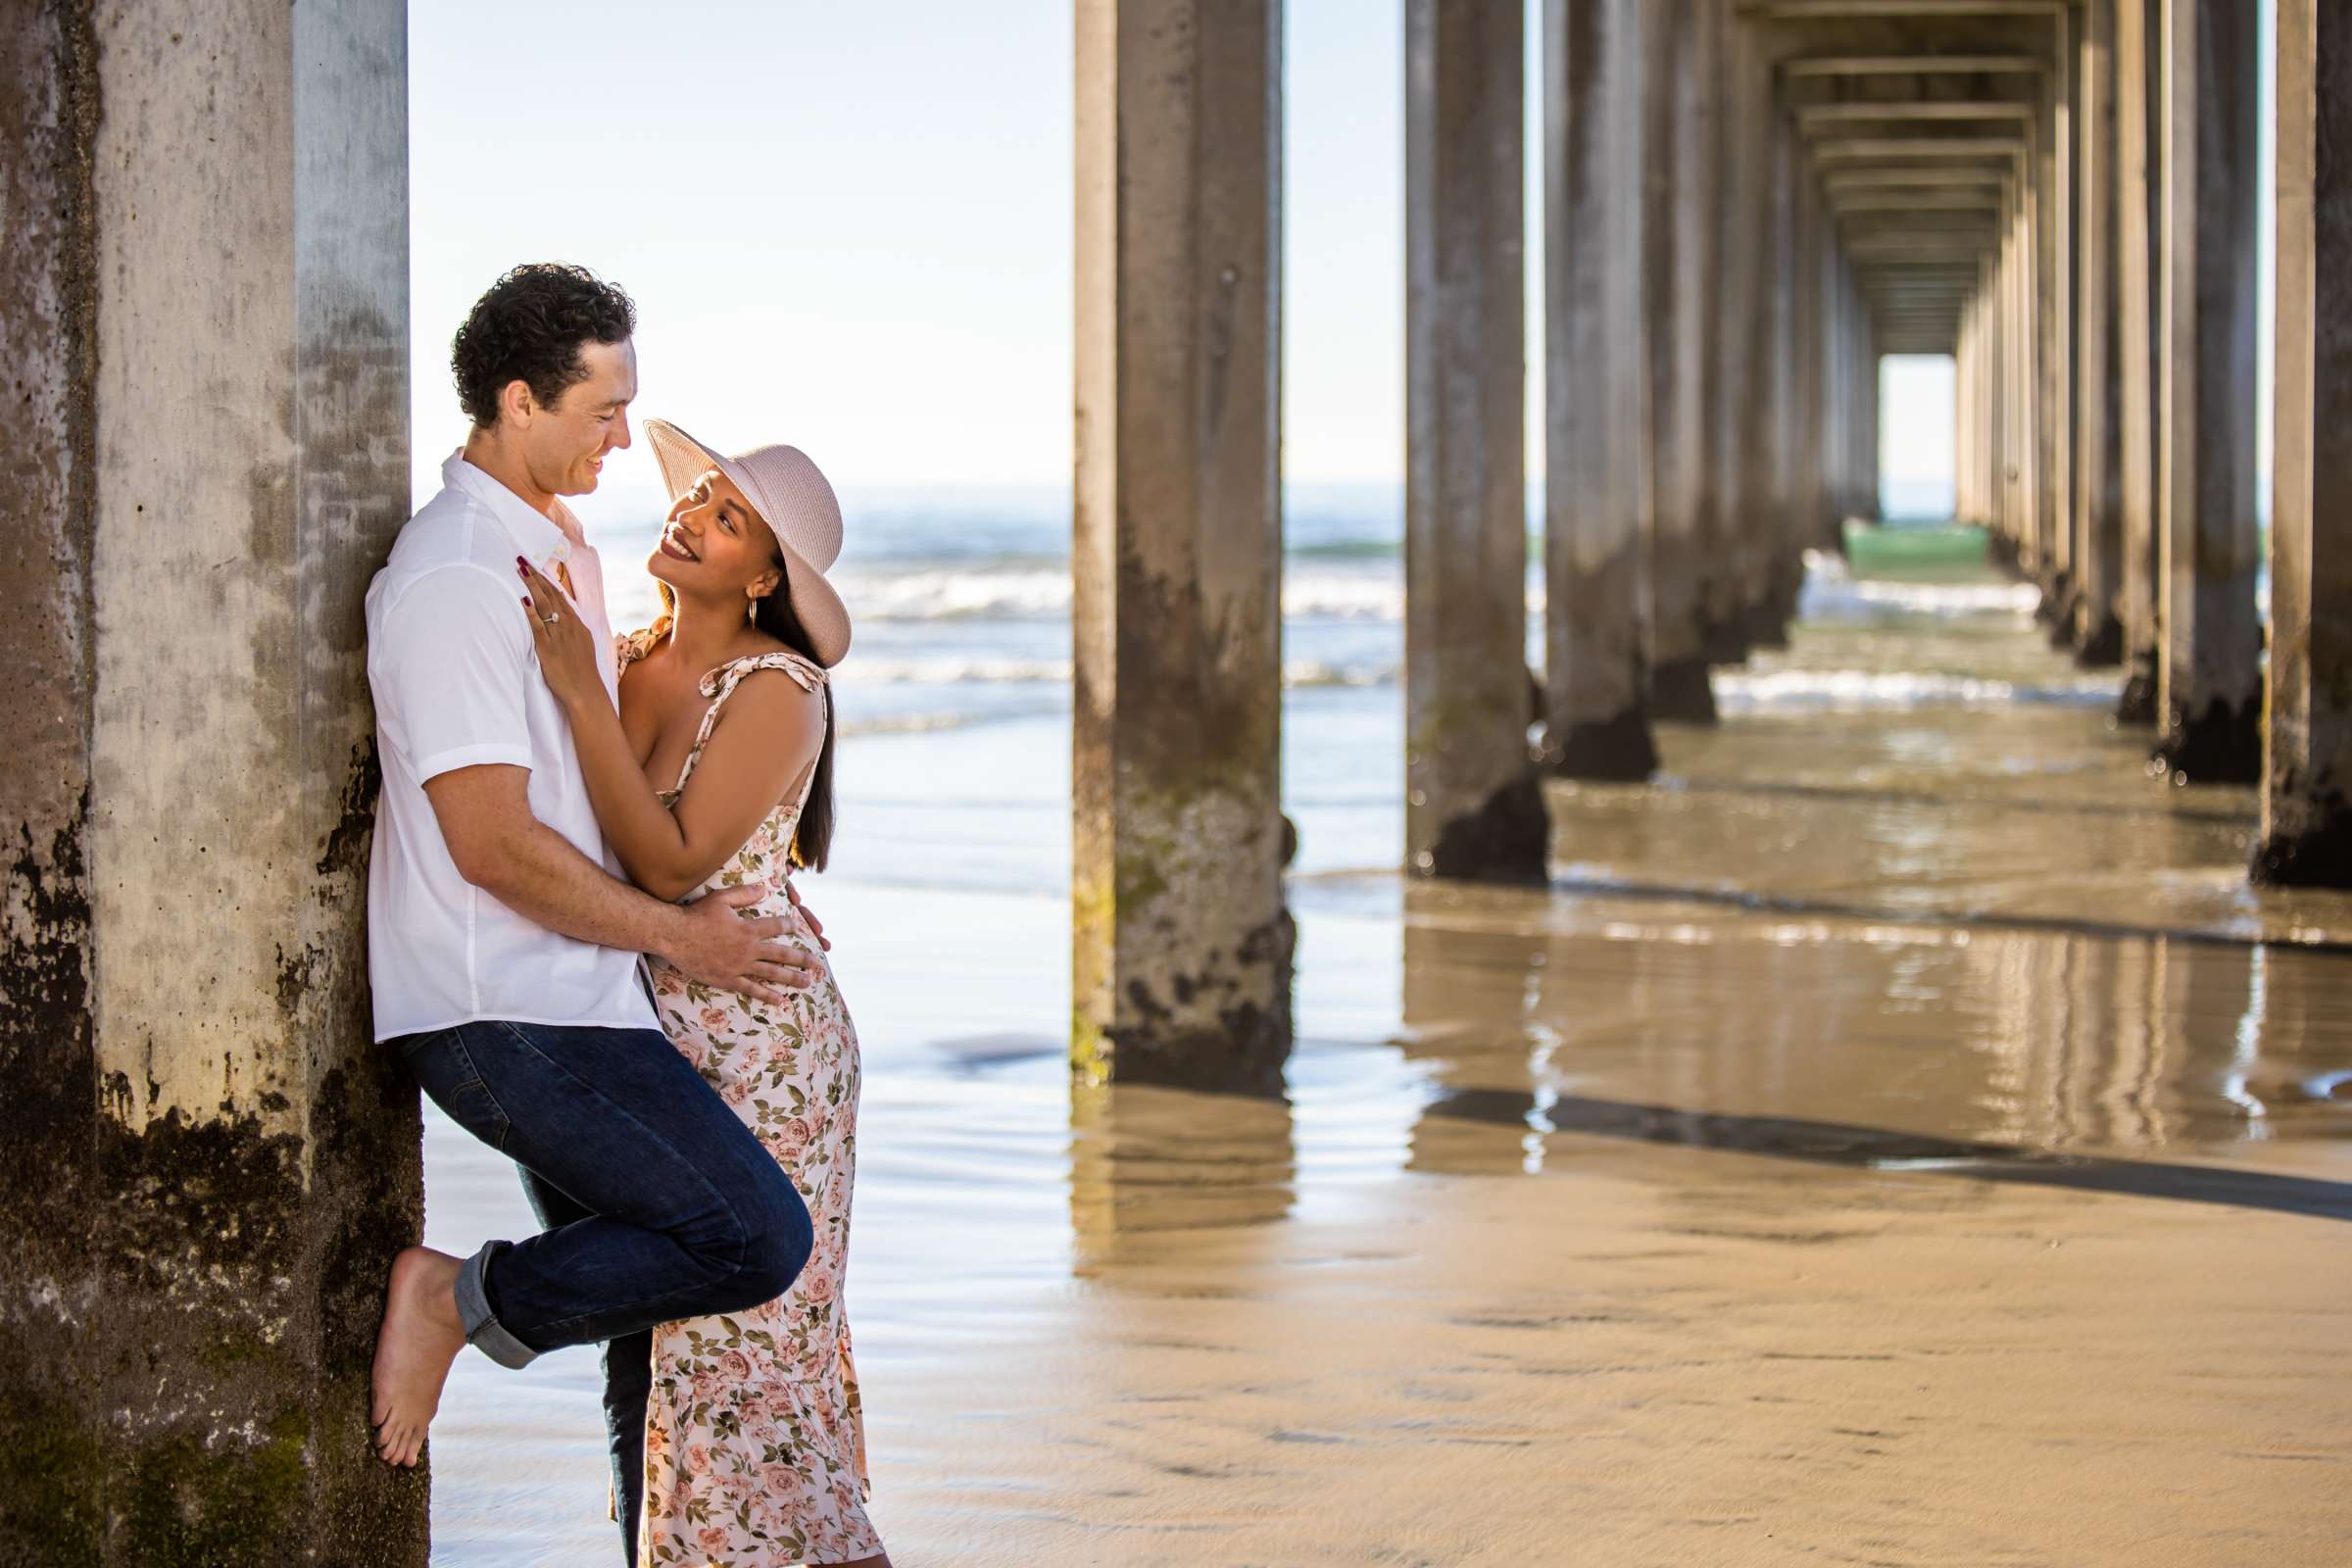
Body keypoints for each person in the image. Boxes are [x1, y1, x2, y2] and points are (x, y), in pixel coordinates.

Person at [365, 266, 827, 1566]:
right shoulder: (456, 578)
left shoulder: (552, 548)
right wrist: (689, 939)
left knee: (650, 1335)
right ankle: (456, 1299)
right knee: (750, 1234)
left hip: (577, 994)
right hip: (501, 1008)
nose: (625, 440)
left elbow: (619, 793)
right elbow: (491, 841)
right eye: (602, 410)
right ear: (519, 403)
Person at [520, 416, 888, 1566]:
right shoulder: (622, 656)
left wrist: (580, 698)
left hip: (764, 1043)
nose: (691, 516)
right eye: (700, 498)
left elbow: (671, 864)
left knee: (751, 1362)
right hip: (632, 1028)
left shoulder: (776, 689)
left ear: (766, 576)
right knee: (649, 1346)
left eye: (728, 519)